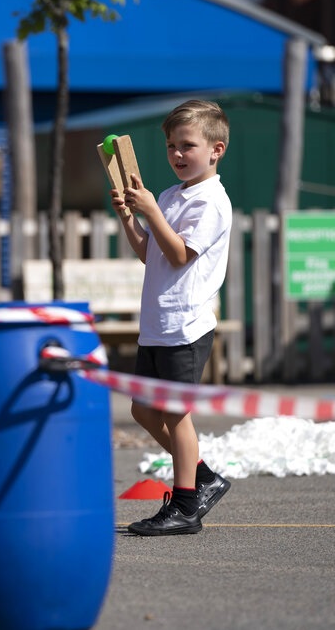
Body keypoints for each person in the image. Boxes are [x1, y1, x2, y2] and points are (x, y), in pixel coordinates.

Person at [109, 99, 233, 536]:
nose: (177, 155)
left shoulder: (212, 202)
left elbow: (180, 256)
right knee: (144, 409)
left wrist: (151, 212)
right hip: (158, 323)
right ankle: (202, 478)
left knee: (177, 414)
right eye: (171, 147)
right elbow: (151, 253)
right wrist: (130, 217)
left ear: (215, 150)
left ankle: (185, 506)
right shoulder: (168, 196)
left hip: (185, 324)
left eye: (188, 146)